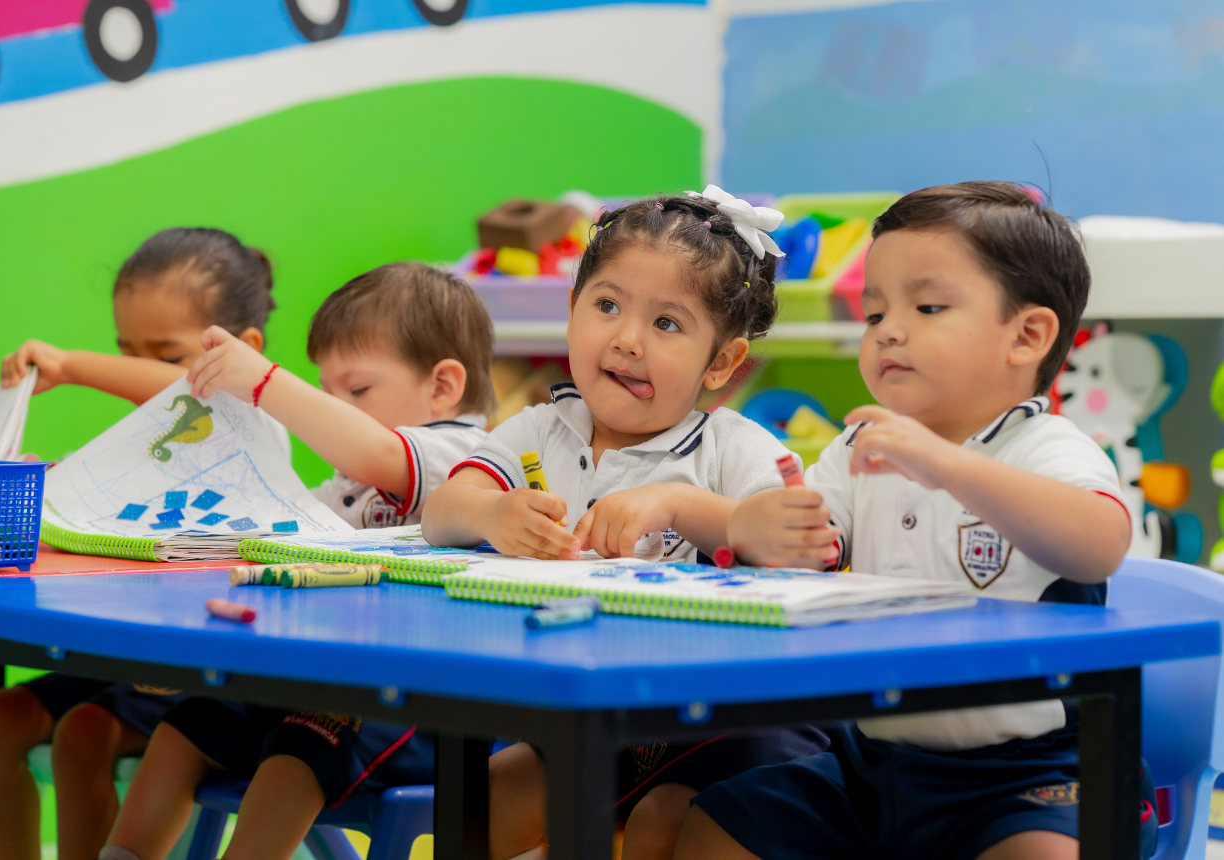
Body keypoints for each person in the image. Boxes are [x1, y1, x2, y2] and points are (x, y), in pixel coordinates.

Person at [680, 182, 1157, 860]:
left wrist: (946, 465)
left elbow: (1100, 545)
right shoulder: (857, 450)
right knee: (719, 826)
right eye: (875, 315)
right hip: (876, 762)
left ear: (1028, 335)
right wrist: (772, 531)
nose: (891, 330)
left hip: (1035, 774)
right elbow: (810, 546)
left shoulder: (1046, 447)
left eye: (927, 306)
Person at [422, 188, 830, 860]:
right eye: (606, 306)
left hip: (727, 732)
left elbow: (797, 543)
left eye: (667, 324)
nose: (627, 340)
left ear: (722, 362)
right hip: (595, 718)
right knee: (471, 808)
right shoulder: (539, 429)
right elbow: (441, 513)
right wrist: (493, 512)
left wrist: (680, 506)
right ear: (572, 314)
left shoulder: (733, 448)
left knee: (663, 821)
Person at [100, 262, 495, 860]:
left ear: (443, 386)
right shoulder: (343, 489)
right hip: (335, 690)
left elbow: (378, 454)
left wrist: (265, 384)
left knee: (306, 734)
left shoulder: (467, 456)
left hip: (432, 711)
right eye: (324, 390)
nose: (330, 411)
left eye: (354, 391)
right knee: (192, 723)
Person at [0, 227, 281, 860]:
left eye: (165, 355)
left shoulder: (251, 433)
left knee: (83, 733)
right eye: (127, 351)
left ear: (245, 354)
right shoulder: (145, 446)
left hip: (194, 669)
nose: (139, 372)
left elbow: (167, 395)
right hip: (121, 654)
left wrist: (72, 366)